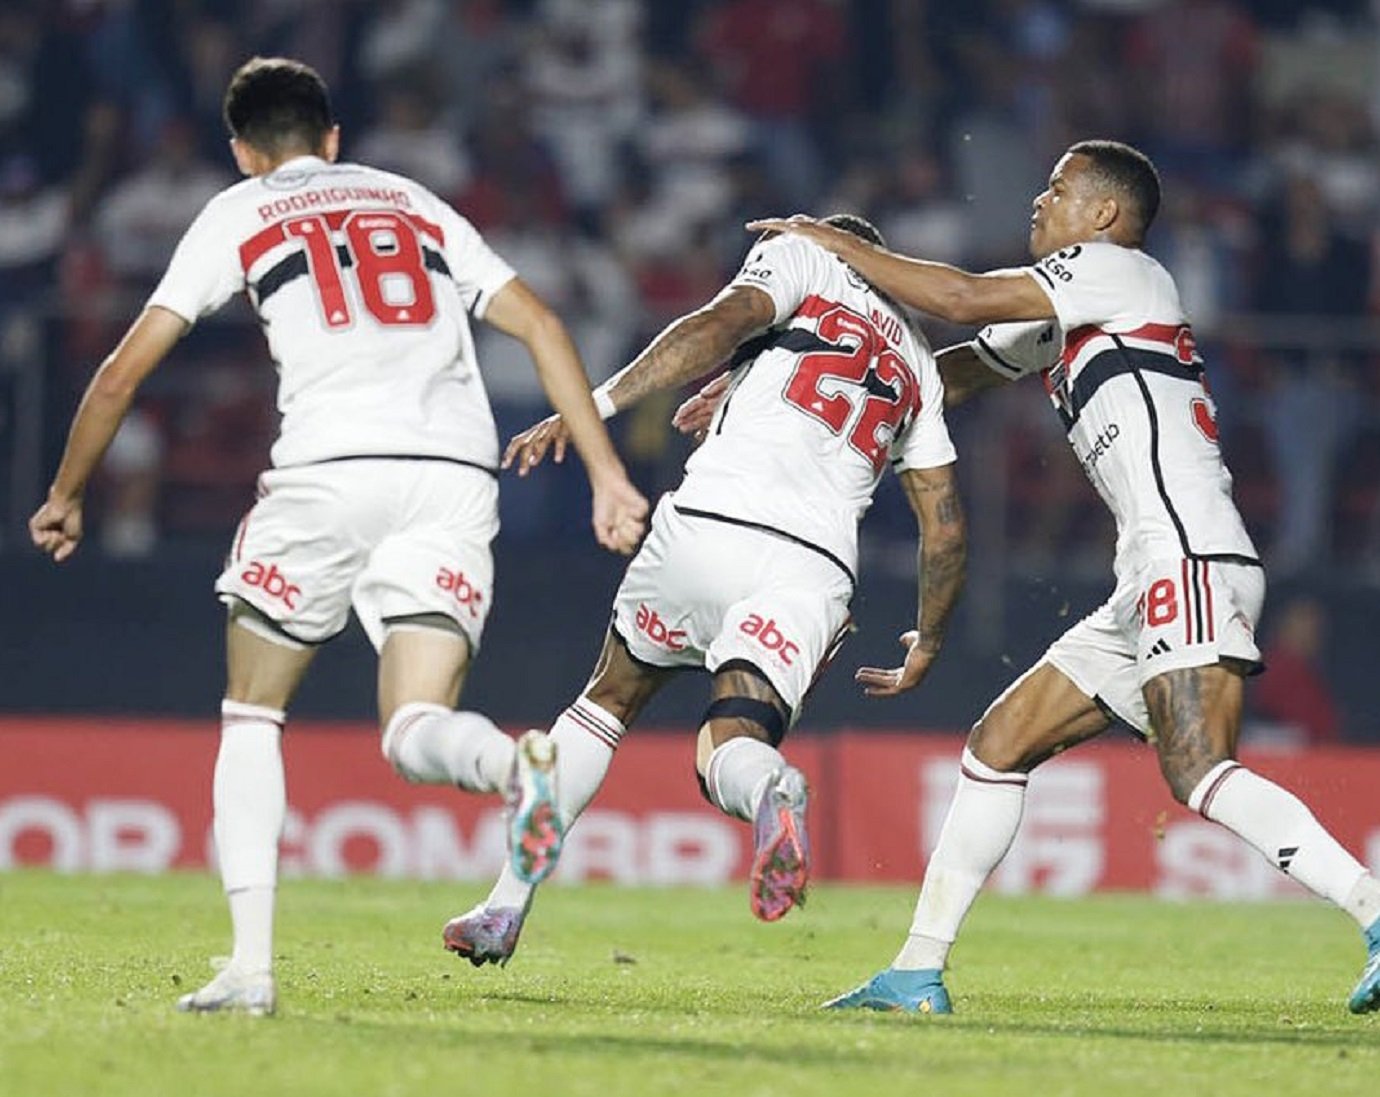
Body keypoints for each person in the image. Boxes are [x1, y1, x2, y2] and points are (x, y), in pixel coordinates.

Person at [29, 57, 648, 1016]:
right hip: (449, 475)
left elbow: (121, 370)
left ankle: (250, 968)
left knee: (252, 712)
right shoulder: (414, 200)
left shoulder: (239, 211)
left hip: (328, 473)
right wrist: (607, 474)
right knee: (411, 729)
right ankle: (508, 766)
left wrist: (66, 490)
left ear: (243, 152)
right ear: (333, 139)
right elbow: (539, 321)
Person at [746, 139, 1380, 1016]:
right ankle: (916, 971)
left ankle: (1374, 909)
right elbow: (949, 373)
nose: (1038, 202)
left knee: (1195, 770)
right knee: (996, 745)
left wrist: (834, 245)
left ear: (1106, 216)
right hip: (1149, 571)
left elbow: (963, 297)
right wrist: (789, 380)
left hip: (1188, 554)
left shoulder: (1121, 270)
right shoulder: (1069, 306)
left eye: (1058, 189)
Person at [441, 214, 967, 965]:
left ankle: (504, 905)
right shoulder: (918, 360)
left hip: (714, 522)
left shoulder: (800, 256)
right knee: (734, 737)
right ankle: (771, 792)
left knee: (608, 699)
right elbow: (944, 529)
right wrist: (931, 636)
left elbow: (719, 322)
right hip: (815, 563)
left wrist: (597, 405)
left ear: (831, 242)